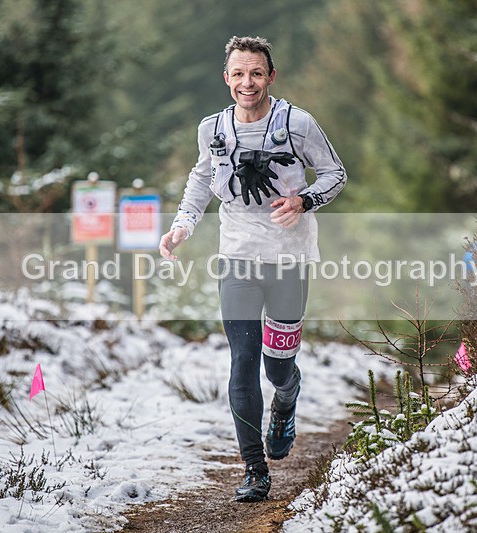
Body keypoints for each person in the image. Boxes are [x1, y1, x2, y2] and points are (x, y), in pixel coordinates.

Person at [159, 36, 346, 502]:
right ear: (227, 79)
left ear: (270, 77)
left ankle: (287, 396)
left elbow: (335, 174)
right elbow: (201, 179)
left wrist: (304, 200)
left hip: (289, 257)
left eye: (256, 74)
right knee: (242, 362)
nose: (248, 82)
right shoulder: (212, 129)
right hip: (237, 257)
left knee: (276, 365)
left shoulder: (296, 122)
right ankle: (254, 469)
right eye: (239, 74)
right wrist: (182, 226)